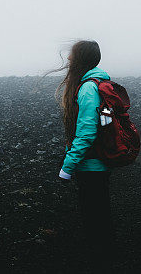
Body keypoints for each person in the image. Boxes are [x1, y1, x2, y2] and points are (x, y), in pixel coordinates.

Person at [54, 39, 115, 256]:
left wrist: (67, 167)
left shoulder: (88, 88)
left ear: (80, 59)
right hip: (100, 161)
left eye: (72, 55)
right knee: (100, 212)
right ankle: (104, 253)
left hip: (91, 165)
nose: (68, 58)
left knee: (93, 214)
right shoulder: (99, 83)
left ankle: (100, 259)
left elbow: (87, 133)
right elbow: (104, 124)